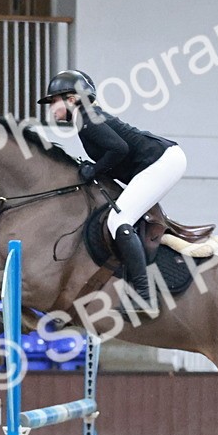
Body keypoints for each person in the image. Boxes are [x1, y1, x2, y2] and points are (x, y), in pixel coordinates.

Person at [37, 69, 187, 318]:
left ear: (73, 99)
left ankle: (144, 295)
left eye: (54, 101)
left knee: (119, 220)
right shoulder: (86, 118)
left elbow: (119, 148)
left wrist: (93, 170)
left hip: (163, 161)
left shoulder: (87, 119)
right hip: (162, 160)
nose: (51, 108)